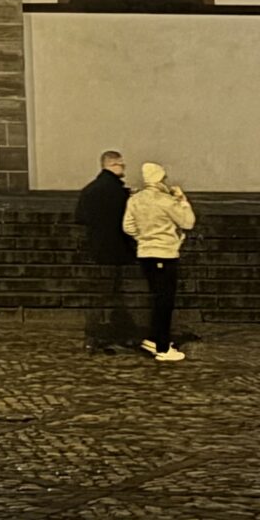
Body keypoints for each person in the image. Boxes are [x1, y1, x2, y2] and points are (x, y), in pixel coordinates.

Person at [125, 161, 197, 362]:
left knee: (157, 297)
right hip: (165, 253)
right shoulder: (165, 201)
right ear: (159, 179)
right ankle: (163, 348)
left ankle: (154, 338)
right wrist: (182, 200)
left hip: (145, 253)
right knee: (165, 300)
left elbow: (128, 226)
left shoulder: (135, 200)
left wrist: (143, 239)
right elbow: (188, 222)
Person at [73, 151, 133, 353]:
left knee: (98, 295)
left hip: (96, 249)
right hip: (116, 250)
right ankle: (113, 333)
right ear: (113, 164)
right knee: (115, 294)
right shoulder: (120, 193)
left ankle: (94, 335)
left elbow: (80, 217)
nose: (123, 169)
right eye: (121, 165)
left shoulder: (90, 190)